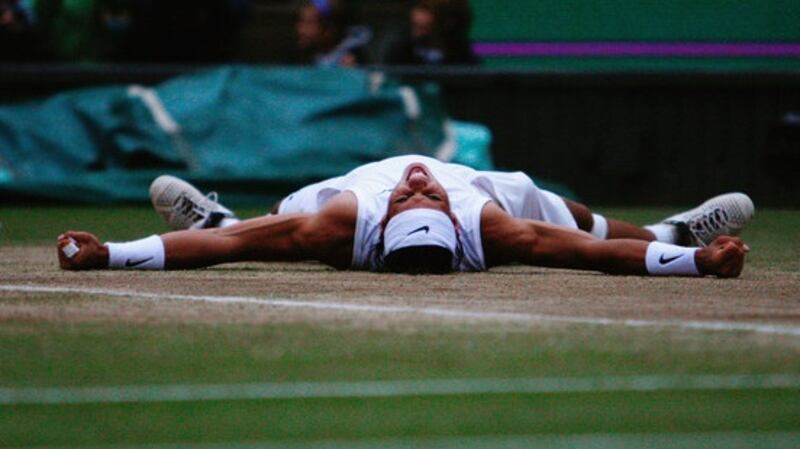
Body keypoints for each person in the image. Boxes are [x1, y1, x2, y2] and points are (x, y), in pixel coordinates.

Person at [58, 155, 753, 277]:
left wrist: (110, 252)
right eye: (420, 198)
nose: (418, 184)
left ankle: (210, 216)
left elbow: (240, 247)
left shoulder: (344, 221)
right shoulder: (487, 225)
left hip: (346, 191)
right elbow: (586, 252)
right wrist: (698, 262)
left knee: (264, 223)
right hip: (479, 188)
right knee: (570, 219)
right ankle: (674, 233)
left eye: (413, 198)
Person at [382, 0, 478, 66]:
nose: (416, 16)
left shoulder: (465, 55)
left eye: (427, 9)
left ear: (449, 22)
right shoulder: (401, 48)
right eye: (419, 7)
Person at [290, 0, 370, 67]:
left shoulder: (354, 61)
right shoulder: (299, 57)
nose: (300, 30)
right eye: (299, 22)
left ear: (330, 29)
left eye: (309, 23)